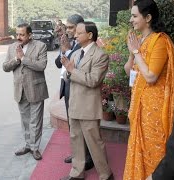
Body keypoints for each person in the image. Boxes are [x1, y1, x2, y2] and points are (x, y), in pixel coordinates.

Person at [123, 0, 174, 179]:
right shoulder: (140, 40)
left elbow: (151, 76)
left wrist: (137, 53)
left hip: (154, 111)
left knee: (153, 150)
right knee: (139, 148)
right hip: (140, 104)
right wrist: (132, 52)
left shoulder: (160, 41)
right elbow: (129, 70)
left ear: (148, 18)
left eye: (134, 16)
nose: (131, 20)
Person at [60, 21, 113, 180]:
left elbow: (93, 80)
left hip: (88, 107)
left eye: (79, 33)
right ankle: (77, 173)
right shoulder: (76, 53)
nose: (75, 35)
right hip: (75, 104)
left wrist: (71, 70)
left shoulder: (100, 55)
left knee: (95, 143)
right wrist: (68, 72)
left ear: (90, 35)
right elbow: (67, 76)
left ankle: (105, 174)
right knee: (75, 140)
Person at [2, 23, 49, 161]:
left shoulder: (40, 46)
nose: (19, 37)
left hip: (36, 88)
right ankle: (28, 145)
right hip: (20, 90)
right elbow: (5, 67)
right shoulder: (12, 48)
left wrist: (23, 59)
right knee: (25, 120)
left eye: (22, 34)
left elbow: (41, 66)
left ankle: (35, 148)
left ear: (29, 35)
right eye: (17, 34)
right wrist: (17, 59)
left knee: (36, 120)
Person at [54, 14, 94, 170]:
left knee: (82, 125)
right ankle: (78, 154)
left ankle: (88, 158)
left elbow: (79, 67)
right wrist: (64, 50)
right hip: (67, 86)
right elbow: (58, 63)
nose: (68, 30)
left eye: (71, 27)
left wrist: (68, 51)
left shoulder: (85, 43)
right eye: (67, 26)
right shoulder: (69, 41)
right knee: (73, 124)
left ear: (80, 27)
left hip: (79, 88)